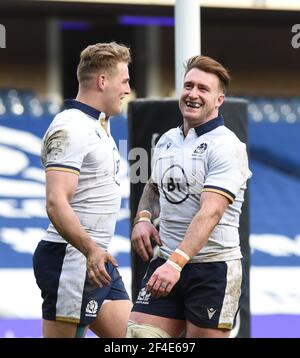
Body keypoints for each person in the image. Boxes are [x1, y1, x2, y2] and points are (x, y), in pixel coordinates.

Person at [126, 55, 251, 338]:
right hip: (167, 260)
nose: (193, 94)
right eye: (188, 86)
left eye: (203, 89)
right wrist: (143, 218)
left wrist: (176, 264)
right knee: (138, 336)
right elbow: (153, 186)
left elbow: (211, 213)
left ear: (219, 100)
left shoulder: (227, 145)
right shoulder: (168, 139)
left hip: (212, 269)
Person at [33, 42, 132, 338]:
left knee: (136, 338)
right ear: (103, 81)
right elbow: (55, 202)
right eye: (125, 80)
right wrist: (90, 250)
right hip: (73, 259)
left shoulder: (98, 124)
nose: (128, 89)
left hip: (96, 258)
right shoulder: (71, 127)